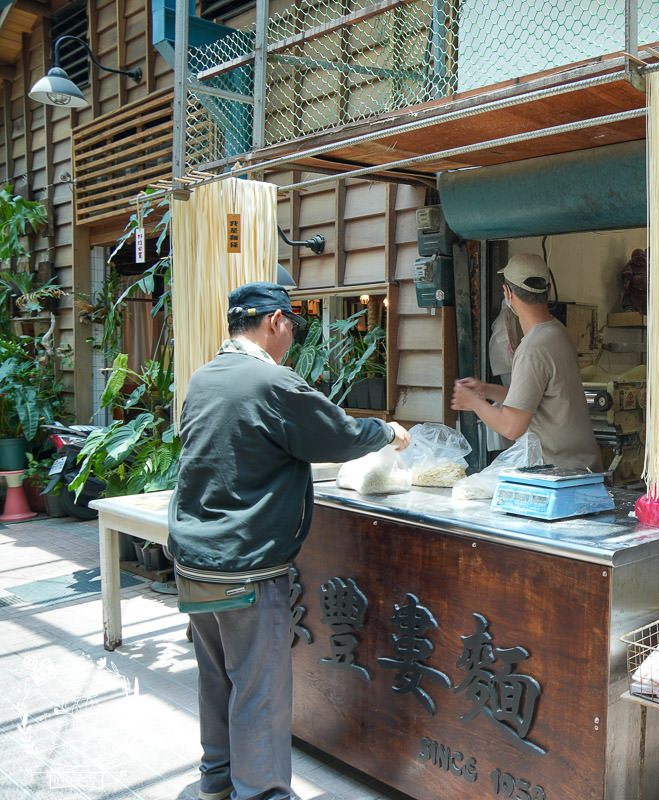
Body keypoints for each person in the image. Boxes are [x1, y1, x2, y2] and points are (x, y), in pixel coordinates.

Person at [167, 281, 410, 800]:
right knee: (260, 688)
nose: (292, 338)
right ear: (275, 322)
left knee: (218, 679)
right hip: (245, 565)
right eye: (292, 327)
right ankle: (260, 793)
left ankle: (217, 779)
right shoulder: (271, 381)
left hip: (194, 559)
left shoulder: (205, 378)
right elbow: (338, 434)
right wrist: (388, 433)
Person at [451, 254, 601, 471]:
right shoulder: (557, 331)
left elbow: (512, 427)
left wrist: (473, 402)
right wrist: (486, 390)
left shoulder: (533, 348)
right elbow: (530, 401)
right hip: (582, 467)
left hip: (562, 475)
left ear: (507, 293)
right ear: (548, 290)